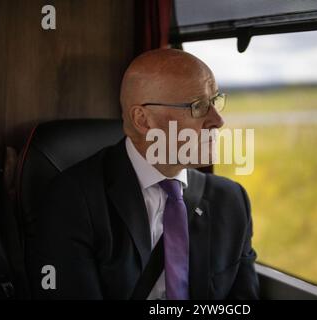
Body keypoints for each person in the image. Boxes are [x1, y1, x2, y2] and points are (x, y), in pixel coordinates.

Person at [26, 48, 259, 299]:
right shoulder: (72, 200)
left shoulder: (232, 201)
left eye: (214, 101)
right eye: (198, 106)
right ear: (144, 120)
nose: (218, 120)